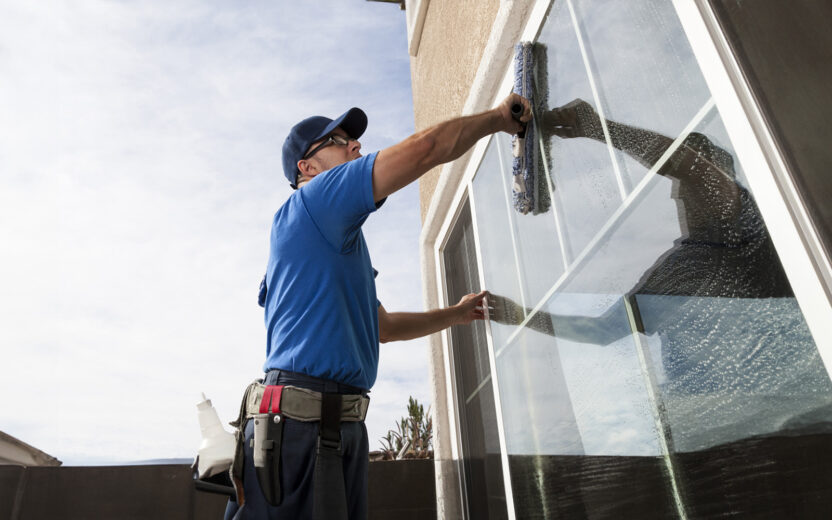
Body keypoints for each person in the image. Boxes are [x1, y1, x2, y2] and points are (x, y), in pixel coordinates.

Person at [224, 93, 532, 520]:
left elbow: (382, 326)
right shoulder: (315, 202)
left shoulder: (335, 239)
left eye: (354, 140)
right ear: (307, 168)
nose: (355, 146)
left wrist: (456, 314)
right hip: (301, 427)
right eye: (337, 139)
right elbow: (426, 148)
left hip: (332, 426)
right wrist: (499, 118)